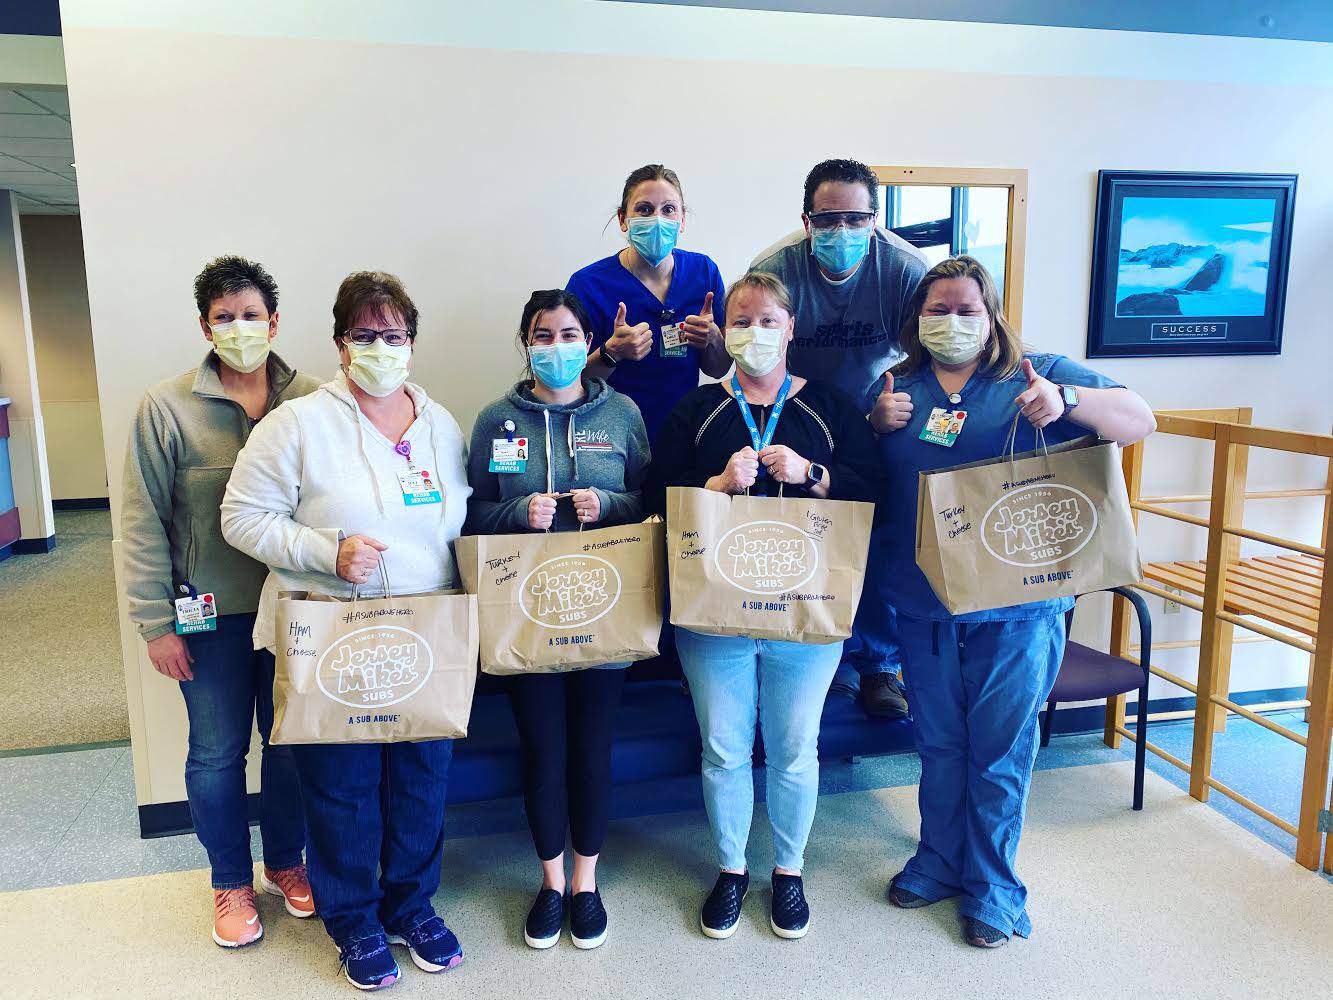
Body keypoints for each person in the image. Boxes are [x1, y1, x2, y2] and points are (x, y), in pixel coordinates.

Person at [869, 255, 1155, 948]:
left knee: (999, 750)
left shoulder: (1034, 373)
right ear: (915, 319)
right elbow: (864, 479)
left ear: (992, 315)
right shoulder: (895, 387)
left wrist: (1067, 401)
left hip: (1017, 610)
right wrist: (874, 423)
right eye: (937, 309)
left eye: (966, 309)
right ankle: (937, 862)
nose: (952, 321)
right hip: (924, 605)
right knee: (939, 745)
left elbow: (1139, 418)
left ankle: (993, 888)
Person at [221, 272, 471, 989]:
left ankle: (411, 906)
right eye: (365, 335)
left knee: (421, 781)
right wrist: (326, 552)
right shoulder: (297, 424)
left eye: (393, 335)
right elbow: (240, 517)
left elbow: (455, 521)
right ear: (340, 344)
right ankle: (355, 919)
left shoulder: (440, 424)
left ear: (412, 344)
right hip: (334, 631)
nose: (380, 348)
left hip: (424, 631)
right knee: (342, 786)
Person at [648, 271, 887, 941]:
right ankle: (731, 869)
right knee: (723, 749)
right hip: (715, 614)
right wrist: (715, 483)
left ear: (790, 330)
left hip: (805, 610)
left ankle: (788, 871)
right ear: (724, 332)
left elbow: (875, 490)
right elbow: (655, 497)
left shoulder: (830, 406)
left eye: (768, 320)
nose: (754, 332)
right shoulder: (696, 409)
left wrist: (813, 475)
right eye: (741, 320)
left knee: (794, 748)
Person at [121, 255, 318, 949]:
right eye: (224, 318)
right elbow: (141, 521)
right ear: (206, 327)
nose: (239, 328)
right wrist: (155, 623)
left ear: (274, 321)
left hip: (296, 609)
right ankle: (229, 881)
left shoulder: (313, 399)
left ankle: (286, 862)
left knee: (291, 746)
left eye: (251, 315)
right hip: (210, 617)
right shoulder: (165, 407)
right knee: (215, 753)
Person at [465, 289, 650, 952]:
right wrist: (517, 514)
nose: (556, 347)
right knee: (543, 751)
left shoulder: (622, 414)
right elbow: (471, 515)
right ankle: (549, 883)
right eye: (542, 335)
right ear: (526, 343)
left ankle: (585, 884)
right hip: (528, 613)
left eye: (569, 334)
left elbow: (649, 500)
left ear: (588, 342)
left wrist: (609, 503)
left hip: (603, 608)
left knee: (592, 751)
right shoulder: (496, 421)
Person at [752, 158, 929, 721]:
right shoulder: (776, 268)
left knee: (874, 538)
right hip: (797, 414)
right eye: (828, 220)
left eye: (857, 219)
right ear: (807, 220)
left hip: (875, 415)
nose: (842, 231)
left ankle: (879, 666)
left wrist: (894, 406)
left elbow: (928, 353)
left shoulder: (903, 269)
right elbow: (758, 344)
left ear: (875, 219)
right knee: (805, 536)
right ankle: (814, 654)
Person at [566, 163, 730, 447]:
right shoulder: (588, 285)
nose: (657, 219)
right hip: (610, 438)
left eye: (668, 209)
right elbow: (568, 382)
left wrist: (713, 339)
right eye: (644, 209)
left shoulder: (704, 273)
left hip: (682, 434)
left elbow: (717, 370)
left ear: (682, 219)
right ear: (623, 219)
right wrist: (611, 353)